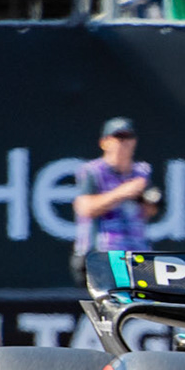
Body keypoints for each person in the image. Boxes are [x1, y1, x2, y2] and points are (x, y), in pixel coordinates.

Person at [70, 118, 153, 285]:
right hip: (102, 253)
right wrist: (122, 193)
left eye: (128, 138)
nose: (123, 144)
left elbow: (148, 212)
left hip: (136, 254)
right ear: (104, 142)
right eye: (118, 138)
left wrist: (148, 202)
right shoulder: (93, 171)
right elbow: (84, 208)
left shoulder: (141, 172)